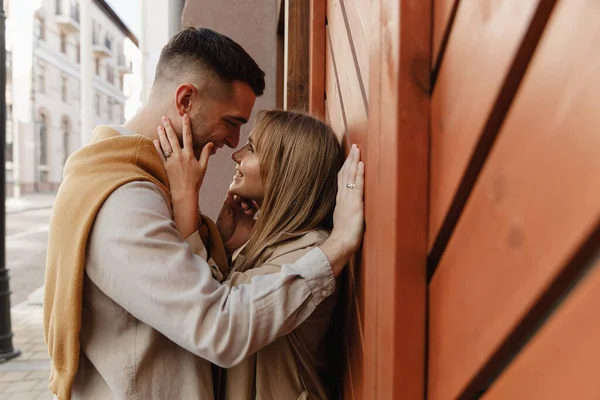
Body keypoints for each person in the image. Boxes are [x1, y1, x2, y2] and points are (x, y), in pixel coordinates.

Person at [43, 27, 364, 400]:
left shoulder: (136, 181)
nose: (232, 144)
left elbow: (193, 297)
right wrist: (339, 246)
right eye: (232, 122)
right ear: (185, 101)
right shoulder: (126, 201)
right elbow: (217, 326)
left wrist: (205, 230)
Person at [155, 109, 356, 399]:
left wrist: (185, 196)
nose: (237, 156)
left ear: (287, 171)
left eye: (252, 148)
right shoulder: (275, 246)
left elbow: (213, 314)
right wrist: (227, 247)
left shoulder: (311, 251)